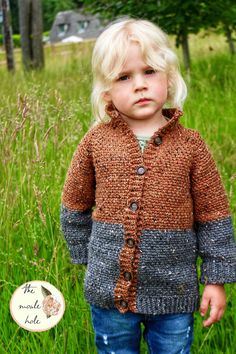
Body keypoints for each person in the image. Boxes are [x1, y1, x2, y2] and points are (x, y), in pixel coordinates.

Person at [60, 18, 236, 354]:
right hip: (109, 293)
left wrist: (215, 278)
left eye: (150, 71)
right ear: (106, 90)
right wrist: (85, 254)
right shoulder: (96, 141)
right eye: (124, 77)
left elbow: (214, 214)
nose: (140, 85)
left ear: (168, 78)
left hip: (175, 294)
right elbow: (74, 201)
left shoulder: (190, 145)